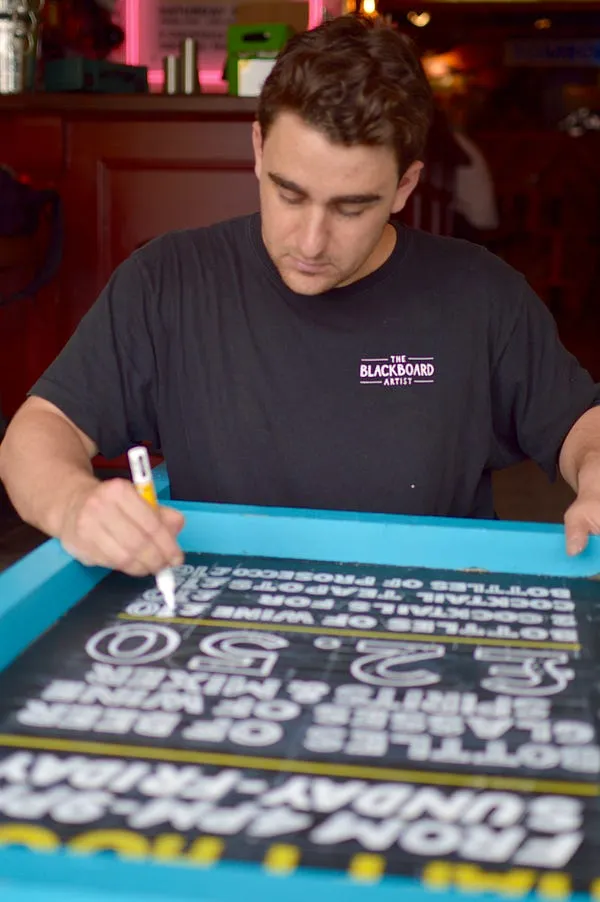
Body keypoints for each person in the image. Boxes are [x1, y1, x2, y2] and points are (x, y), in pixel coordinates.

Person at [0, 15, 599, 579]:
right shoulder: (168, 279)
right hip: (223, 624)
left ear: (405, 185)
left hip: (426, 618)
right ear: (259, 149)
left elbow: (582, 425)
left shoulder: (481, 293)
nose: (311, 241)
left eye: (351, 207)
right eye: (290, 194)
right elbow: (39, 431)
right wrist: (75, 505)